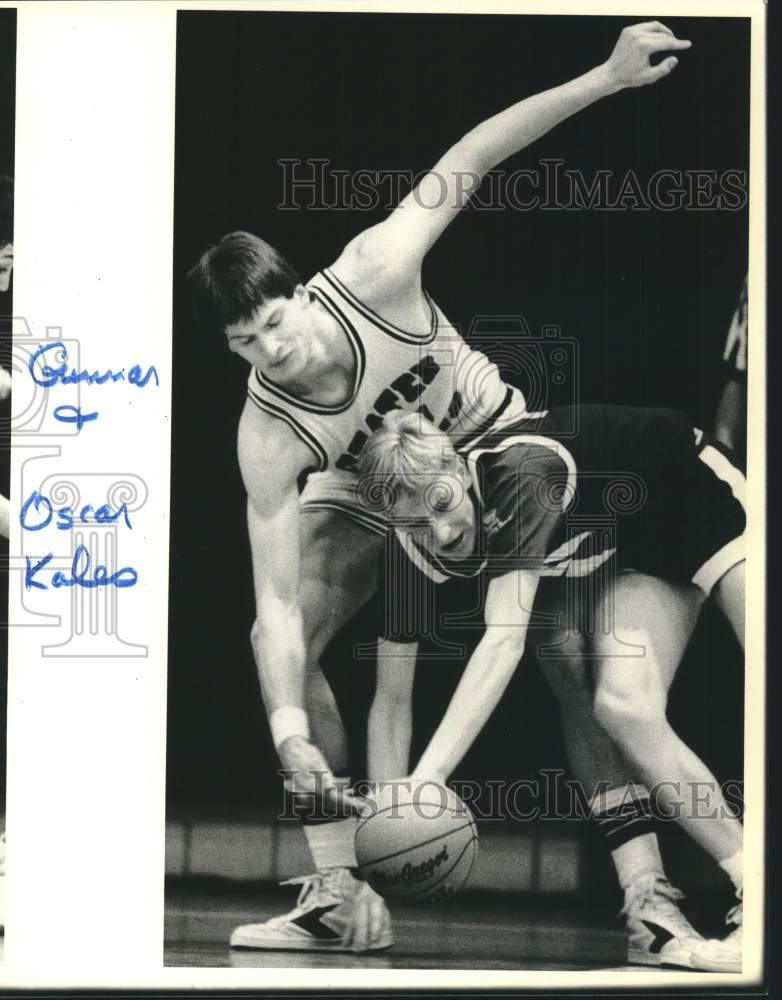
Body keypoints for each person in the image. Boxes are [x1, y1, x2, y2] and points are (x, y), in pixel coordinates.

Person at [189, 23, 694, 952]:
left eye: (275, 322)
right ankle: (338, 891)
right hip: (374, 491)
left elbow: (475, 153)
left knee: (563, 650)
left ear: (300, 292)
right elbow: (275, 603)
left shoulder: (376, 270)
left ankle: (647, 893)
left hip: (482, 449)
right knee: (286, 639)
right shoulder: (266, 434)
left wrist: (607, 77)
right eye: (245, 344)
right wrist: (289, 729)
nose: (273, 350)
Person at [358, 405, 744, 972]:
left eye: (441, 504)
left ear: (459, 468)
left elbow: (502, 643)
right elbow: (391, 702)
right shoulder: (407, 556)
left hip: (696, 497)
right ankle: (747, 889)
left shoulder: (520, 471)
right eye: (414, 524)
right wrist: (384, 838)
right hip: (633, 555)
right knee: (623, 708)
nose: (439, 533)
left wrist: (426, 781)